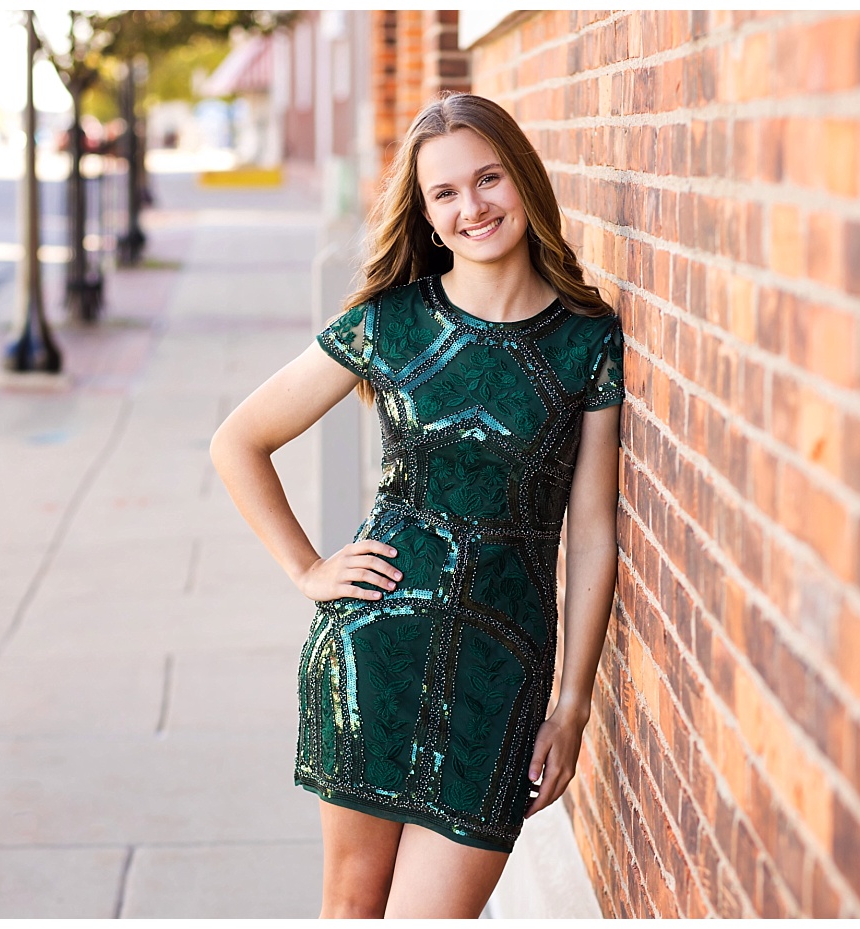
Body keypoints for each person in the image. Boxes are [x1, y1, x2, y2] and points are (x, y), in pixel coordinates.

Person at [210, 93, 624, 918]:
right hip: (373, 651)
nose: (472, 207)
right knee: (352, 905)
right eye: (446, 194)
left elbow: (597, 532)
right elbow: (238, 440)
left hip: (503, 674)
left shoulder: (588, 339)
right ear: (427, 215)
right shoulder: (389, 323)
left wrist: (573, 703)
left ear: (523, 179)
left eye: (488, 179)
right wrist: (307, 568)